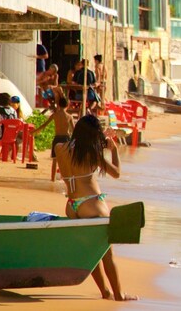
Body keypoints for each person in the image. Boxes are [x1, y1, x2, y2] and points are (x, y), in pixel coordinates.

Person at [54, 115, 136, 301]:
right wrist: (113, 149)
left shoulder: (61, 148)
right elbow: (116, 173)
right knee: (107, 254)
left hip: (72, 206)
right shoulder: (92, 152)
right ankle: (119, 294)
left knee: (92, 252)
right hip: (92, 204)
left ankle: (105, 292)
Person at [33, 96, 74, 181]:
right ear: (68, 105)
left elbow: (44, 125)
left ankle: (53, 179)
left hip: (57, 138)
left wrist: (34, 132)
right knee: (66, 161)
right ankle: (66, 179)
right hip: (66, 139)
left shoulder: (55, 115)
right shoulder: (69, 116)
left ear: (58, 105)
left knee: (55, 160)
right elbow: (74, 130)